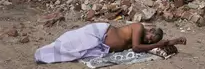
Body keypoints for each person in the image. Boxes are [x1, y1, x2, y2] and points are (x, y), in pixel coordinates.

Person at [34, 22, 186, 64]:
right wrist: (158, 44)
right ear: (150, 31)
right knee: (71, 44)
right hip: (100, 33)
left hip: (101, 45)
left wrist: (174, 41)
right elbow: (137, 48)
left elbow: (145, 46)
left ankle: (44, 57)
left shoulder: (142, 39)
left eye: (150, 42)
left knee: (73, 53)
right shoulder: (138, 27)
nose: (148, 41)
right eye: (150, 39)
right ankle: (42, 54)